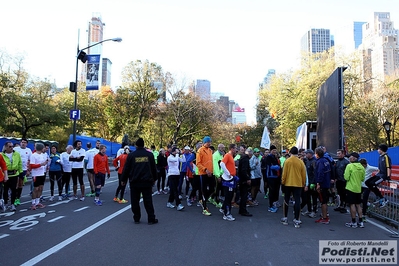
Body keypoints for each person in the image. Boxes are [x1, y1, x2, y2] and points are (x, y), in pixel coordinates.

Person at [121, 137, 158, 225]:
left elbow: (126, 168)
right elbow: (153, 168)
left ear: (136, 145)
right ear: (143, 145)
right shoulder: (149, 155)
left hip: (134, 181)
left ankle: (136, 218)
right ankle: (151, 218)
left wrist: (123, 179)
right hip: (146, 181)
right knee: (148, 201)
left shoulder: (131, 155)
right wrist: (155, 178)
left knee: (135, 201)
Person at [281, 147, 306, 227]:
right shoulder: (300, 162)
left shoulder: (287, 161)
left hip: (288, 183)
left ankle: (285, 217)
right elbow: (304, 174)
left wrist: (283, 182)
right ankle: (297, 219)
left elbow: (284, 173)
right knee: (297, 200)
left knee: (286, 199)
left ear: (290, 152)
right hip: (298, 184)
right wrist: (303, 183)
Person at [343, 152, 365, 228]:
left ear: (354, 158)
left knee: (352, 205)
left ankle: (353, 221)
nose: (349, 158)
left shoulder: (350, 166)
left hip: (350, 188)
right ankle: (361, 221)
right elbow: (362, 178)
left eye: (350, 157)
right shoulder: (361, 167)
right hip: (358, 188)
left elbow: (346, 177)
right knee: (358, 205)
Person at [196, 136, 215, 216]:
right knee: (203, 190)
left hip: (210, 173)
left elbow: (211, 162)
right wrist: (205, 169)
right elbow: (198, 163)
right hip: (203, 174)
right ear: (204, 142)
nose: (209, 143)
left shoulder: (210, 150)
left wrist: (211, 171)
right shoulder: (200, 151)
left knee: (212, 189)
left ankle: (203, 200)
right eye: (207, 142)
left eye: (210, 142)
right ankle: (204, 208)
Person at [1, 141, 23, 211]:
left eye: (12, 146)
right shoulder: (2, 155)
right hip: (5, 174)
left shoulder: (16, 154)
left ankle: (12, 204)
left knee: (14, 189)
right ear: (6, 147)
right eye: (10, 146)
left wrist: (20, 172)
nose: (11, 148)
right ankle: (6, 203)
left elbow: (20, 163)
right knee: (5, 190)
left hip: (14, 174)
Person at [220, 144, 238, 221]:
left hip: (231, 179)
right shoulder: (227, 155)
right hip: (228, 179)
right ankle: (227, 214)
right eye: (235, 148)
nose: (236, 150)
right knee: (228, 197)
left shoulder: (231, 156)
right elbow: (222, 164)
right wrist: (228, 173)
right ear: (232, 149)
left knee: (229, 196)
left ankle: (223, 208)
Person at [314, 147, 332, 224]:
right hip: (327, 183)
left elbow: (320, 173)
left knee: (323, 201)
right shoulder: (326, 161)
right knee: (325, 200)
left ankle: (324, 218)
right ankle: (325, 215)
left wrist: (318, 183)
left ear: (317, 154)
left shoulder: (320, 162)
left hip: (322, 184)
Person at [13, 138, 32, 205]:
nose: (23, 143)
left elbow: (29, 161)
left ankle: (18, 198)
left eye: (24, 142)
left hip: (24, 170)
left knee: (21, 184)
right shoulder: (15, 149)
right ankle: (14, 198)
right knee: (16, 184)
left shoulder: (28, 150)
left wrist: (28, 170)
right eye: (22, 142)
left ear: (26, 144)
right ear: (20, 143)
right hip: (16, 169)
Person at [30, 143, 49, 210]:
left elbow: (44, 163)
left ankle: (37, 202)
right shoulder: (33, 155)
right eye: (43, 147)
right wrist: (40, 164)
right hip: (36, 174)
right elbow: (31, 165)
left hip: (42, 173)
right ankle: (33, 203)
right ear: (41, 148)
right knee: (36, 189)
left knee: (41, 188)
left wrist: (46, 163)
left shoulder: (42, 155)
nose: (44, 149)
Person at [301, 149, 318, 218]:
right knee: (307, 197)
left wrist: (314, 182)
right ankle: (309, 210)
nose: (305, 155)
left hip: (313, 183)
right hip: (308, 182)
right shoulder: (308, 161)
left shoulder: (314, 161)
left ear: (310, 154)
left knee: (314, 197)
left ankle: (314, 211)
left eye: (306, 154)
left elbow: (315, 173)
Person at [265, 145, 281, 213]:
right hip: (271, 176)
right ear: (271, 150)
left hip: (276, 176)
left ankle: (275, 202)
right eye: (273, 150)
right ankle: (270, 206)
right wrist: (276, 167)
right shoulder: (268, 157)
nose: (274, 151)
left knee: (276, 190)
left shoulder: (275, 157)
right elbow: (269, 166)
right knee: (271, 191)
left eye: (275, 150)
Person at [237, 148, 253, 217]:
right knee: (244, 195)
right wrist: (248, 178)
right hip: (244, 180)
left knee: (243, 195)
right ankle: (243, 210)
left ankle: (241, 209)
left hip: (242, 179)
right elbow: (244, 170)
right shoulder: (245, 160)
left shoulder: (242, 158)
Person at [210, 143, 225, 208]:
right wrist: (218, 175)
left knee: (218, 188)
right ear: (219, 148)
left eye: (223, 148)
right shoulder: (215, 155)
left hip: (220, 174)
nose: (223, 149)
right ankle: (217, 201)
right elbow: (215, 166)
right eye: (222, 148)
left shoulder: (221, 155)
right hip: (216, 175)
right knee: (216, 189)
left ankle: (211, 198)